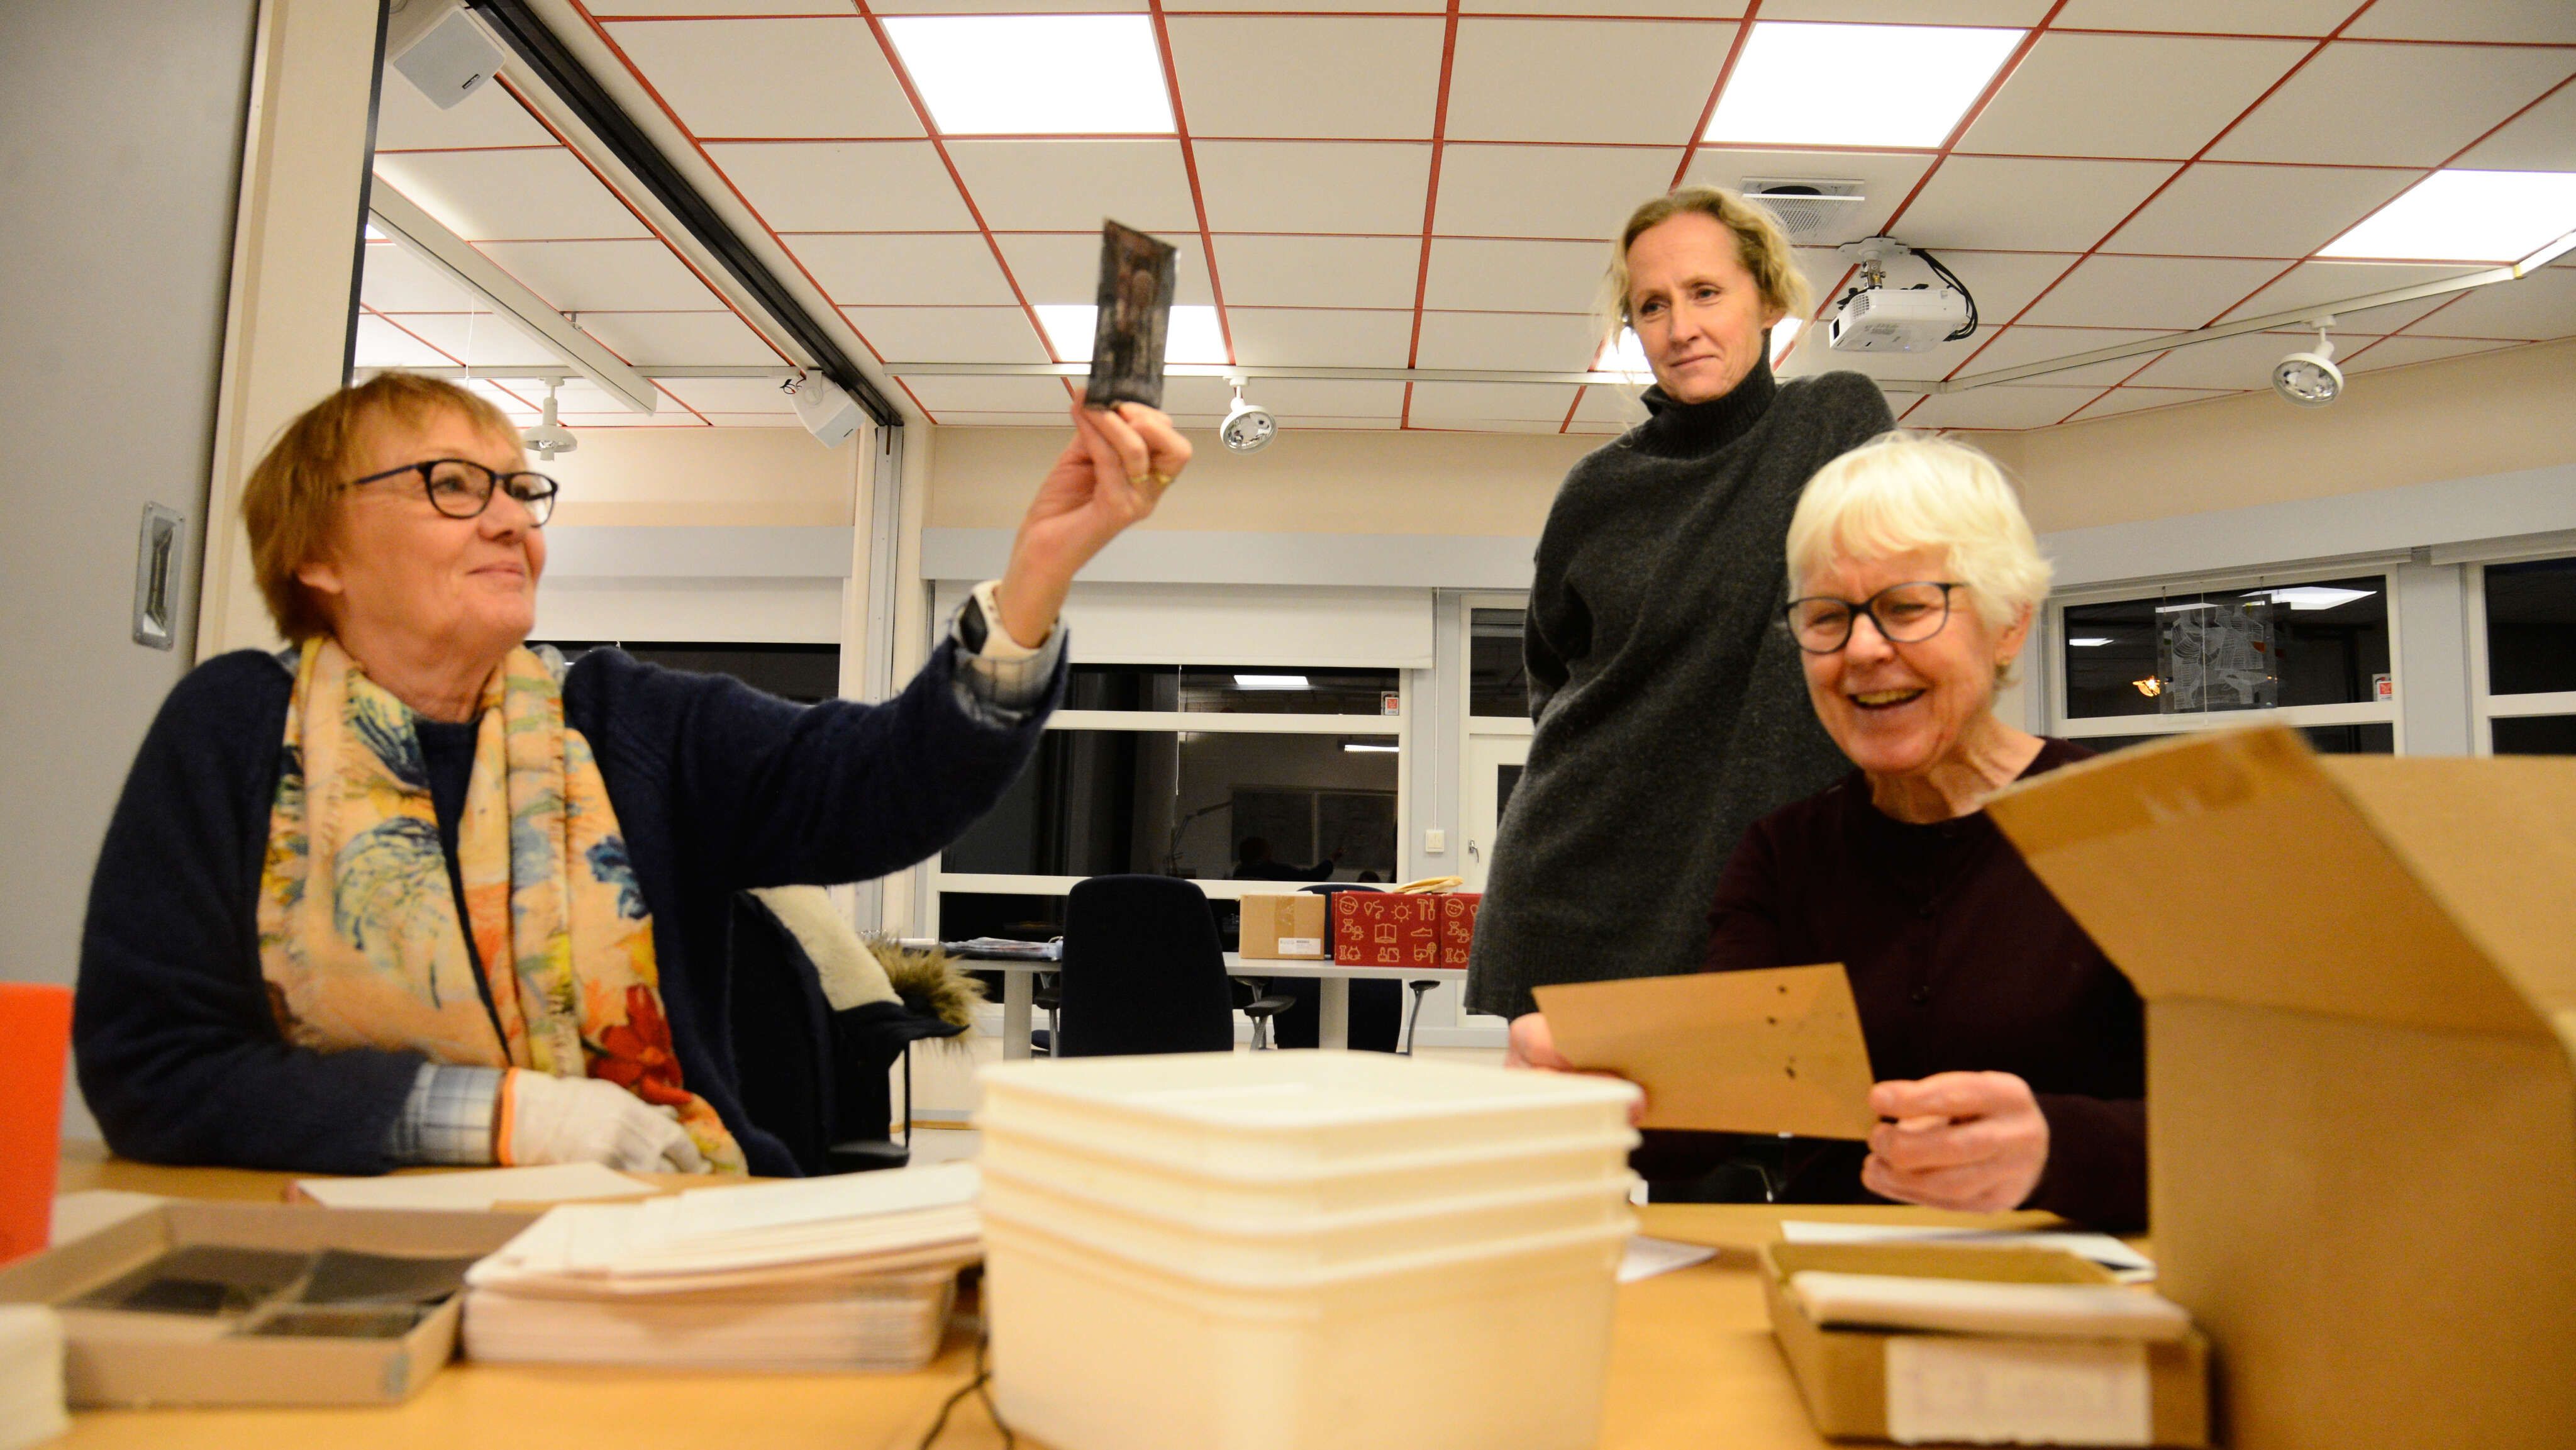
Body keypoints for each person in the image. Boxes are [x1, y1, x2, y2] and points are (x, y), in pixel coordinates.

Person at [75, 373, 1187, 1178]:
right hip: (337, 1261)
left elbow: (884, 785)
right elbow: (155, 1071)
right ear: (315, 552)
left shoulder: (625, 721)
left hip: (661, 1230)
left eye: (520, 488)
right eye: (452, 485)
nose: (509, 520)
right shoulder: (235, 730)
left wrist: (1036, 577)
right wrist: (507, 1120)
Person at [1508, 434, 2146, 1229]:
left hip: (2073, 1288)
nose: (1863, 650)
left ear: (2008, 624)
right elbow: (1717, 1103)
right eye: (1827, 617)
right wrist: (1586, 1087)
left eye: (1907, 608)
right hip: (1825, 1283)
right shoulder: (1786, 855)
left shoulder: (2133, 827)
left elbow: (2252, 1120)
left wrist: (2059, 1146)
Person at [1465, 187, 1896, 1023]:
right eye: (1652, 306)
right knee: (1591, 1115)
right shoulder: (1597, 489)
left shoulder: (1832, 421)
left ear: (1767, 301)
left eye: (1705, 292)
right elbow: (1553, 676)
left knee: (1769, 1107)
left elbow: (1882, 608)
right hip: (1577, 882)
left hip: (1762, 883)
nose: (1680, 327)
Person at [1230, 836, 1340, 882]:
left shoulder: (1239, 873)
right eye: (1268, 850)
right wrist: (1331, 860)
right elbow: (1311, 877)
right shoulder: (1274, 872)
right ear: (1264, 854)